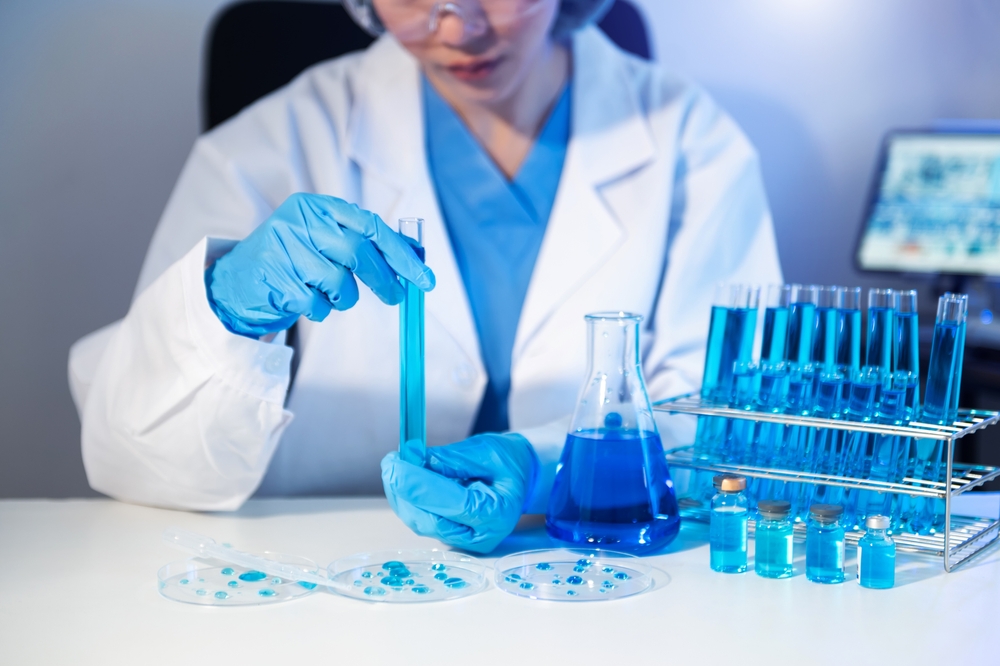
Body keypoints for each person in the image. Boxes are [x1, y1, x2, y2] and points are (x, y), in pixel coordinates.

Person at [68, 0, 782, 553]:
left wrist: (540, 468)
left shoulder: (694, 144)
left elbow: (726, 428)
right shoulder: (271, 142)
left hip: (597, 581)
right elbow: (132, 456)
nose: (457, 27)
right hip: (335, 585)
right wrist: (224, 309)